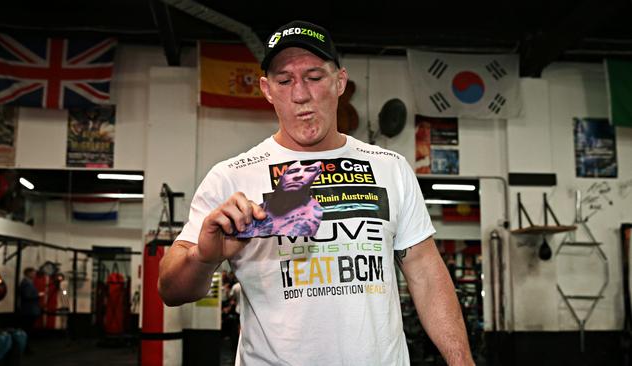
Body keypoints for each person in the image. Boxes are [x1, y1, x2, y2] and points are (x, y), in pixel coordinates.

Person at [158, 20, 473, 365]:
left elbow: (426, 273)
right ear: (267, 89)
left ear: (339, 82)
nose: (300, 94)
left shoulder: (389, 167)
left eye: (314, 77)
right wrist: (203, 257)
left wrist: (462, 362)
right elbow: (171, 290)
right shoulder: (231, 177)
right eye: (284, 80)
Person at [236, 160, 323, 237]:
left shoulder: (313, 211)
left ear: (317, 175)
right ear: (281, 177)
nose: (299, 176)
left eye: (309, 170)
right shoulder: (260, 207)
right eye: (292, 171)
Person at [19, 267, 41, 353]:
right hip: (28, 310)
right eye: (33, 273)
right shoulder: (26, 283)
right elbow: (27, 296)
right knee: (27, 330)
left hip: (30, 309)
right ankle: (25, 348)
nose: (35, 274)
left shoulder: (28, 283)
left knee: (28, 330)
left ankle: (25, 347)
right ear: (28, 273)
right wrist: (38, 295)